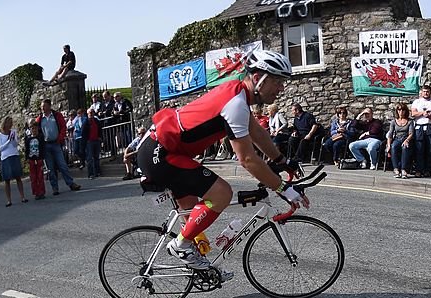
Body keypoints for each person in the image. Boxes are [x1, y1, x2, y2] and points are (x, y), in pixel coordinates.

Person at [138, 49, 307, 273]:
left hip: (169, 151)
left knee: (193, 220)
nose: (281, 88)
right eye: (277, 81)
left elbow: (257, 133)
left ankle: (197, 267)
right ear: (258, 78)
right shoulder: (235, 103)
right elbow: (247, 159)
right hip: (161, 154)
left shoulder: (238, 97)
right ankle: (180, 246)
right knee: (221, 193)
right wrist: (283, 188)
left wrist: (281, 159)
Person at [34, 99, 81, 194]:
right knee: (50, 168)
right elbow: (36, 130)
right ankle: (55, 188)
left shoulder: (56, 115)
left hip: (56, 144)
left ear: (49, 106)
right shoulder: (39, 119)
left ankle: (71, 183)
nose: (42, 108)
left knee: (62, 165)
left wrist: (60, 138)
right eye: (42, 106)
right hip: (46, 145)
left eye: (44, 106)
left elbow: (63, 127)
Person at [410, 85, 431, 177]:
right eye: (424, 91)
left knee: (430, 150)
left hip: (430, 128)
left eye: (427, 91)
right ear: (421, 92)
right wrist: (422, 113)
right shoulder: (417, 102)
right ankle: (418, 170)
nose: (426, 93)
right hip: (419, 128)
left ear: (430, 92)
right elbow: (413, 114)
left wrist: (430, 116)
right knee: (419, 149)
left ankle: (427, 170)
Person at [0, 116, 28, 206]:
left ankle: (22, 197)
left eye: (11, 123)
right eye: (9, 123)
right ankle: (9, 200)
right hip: (5, 157)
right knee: (7, 180)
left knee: (18, 178)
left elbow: (15, 144)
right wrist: (8, 141)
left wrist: (13, 139)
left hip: (14, 155)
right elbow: (1, 148)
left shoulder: (13, 132)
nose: (11, 125)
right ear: (5, 124)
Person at [386, 102, 413, 179]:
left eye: (403, 110)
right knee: (393, 147)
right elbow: (390, 134)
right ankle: (396, 169)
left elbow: (411, 133)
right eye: (399, 110)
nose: (401, 112)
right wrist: (388, 145)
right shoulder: (394, 122)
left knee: (405, 147)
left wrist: (407, 140)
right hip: (397, 138)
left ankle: (404, 169)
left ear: (405, 111)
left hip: (406, 138)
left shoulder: (410, 121)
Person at [24, 123, 46, 200]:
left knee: (40, 176)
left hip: (39, 158)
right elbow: (26, 149)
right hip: (31, 159)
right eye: (32, 129)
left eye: (35, 128)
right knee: (33, 177)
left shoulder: (40, 137)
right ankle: (36, 192)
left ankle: (41, 192)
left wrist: (43, 158)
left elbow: (43, 148)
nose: (34, 130)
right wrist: (27, 158)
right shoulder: (28, 139)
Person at [83, 108, 103, 179]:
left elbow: (100, 129)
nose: (91, 114)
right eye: (89, 113)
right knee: (90, 158)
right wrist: (86, 141)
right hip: (89, 142)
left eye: (92, 112)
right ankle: (90, 174)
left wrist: (100, 137)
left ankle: (97, 172)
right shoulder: (85, 122)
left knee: (96, 157)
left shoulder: (97, 121)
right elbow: (84, 133)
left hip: (96, 141)